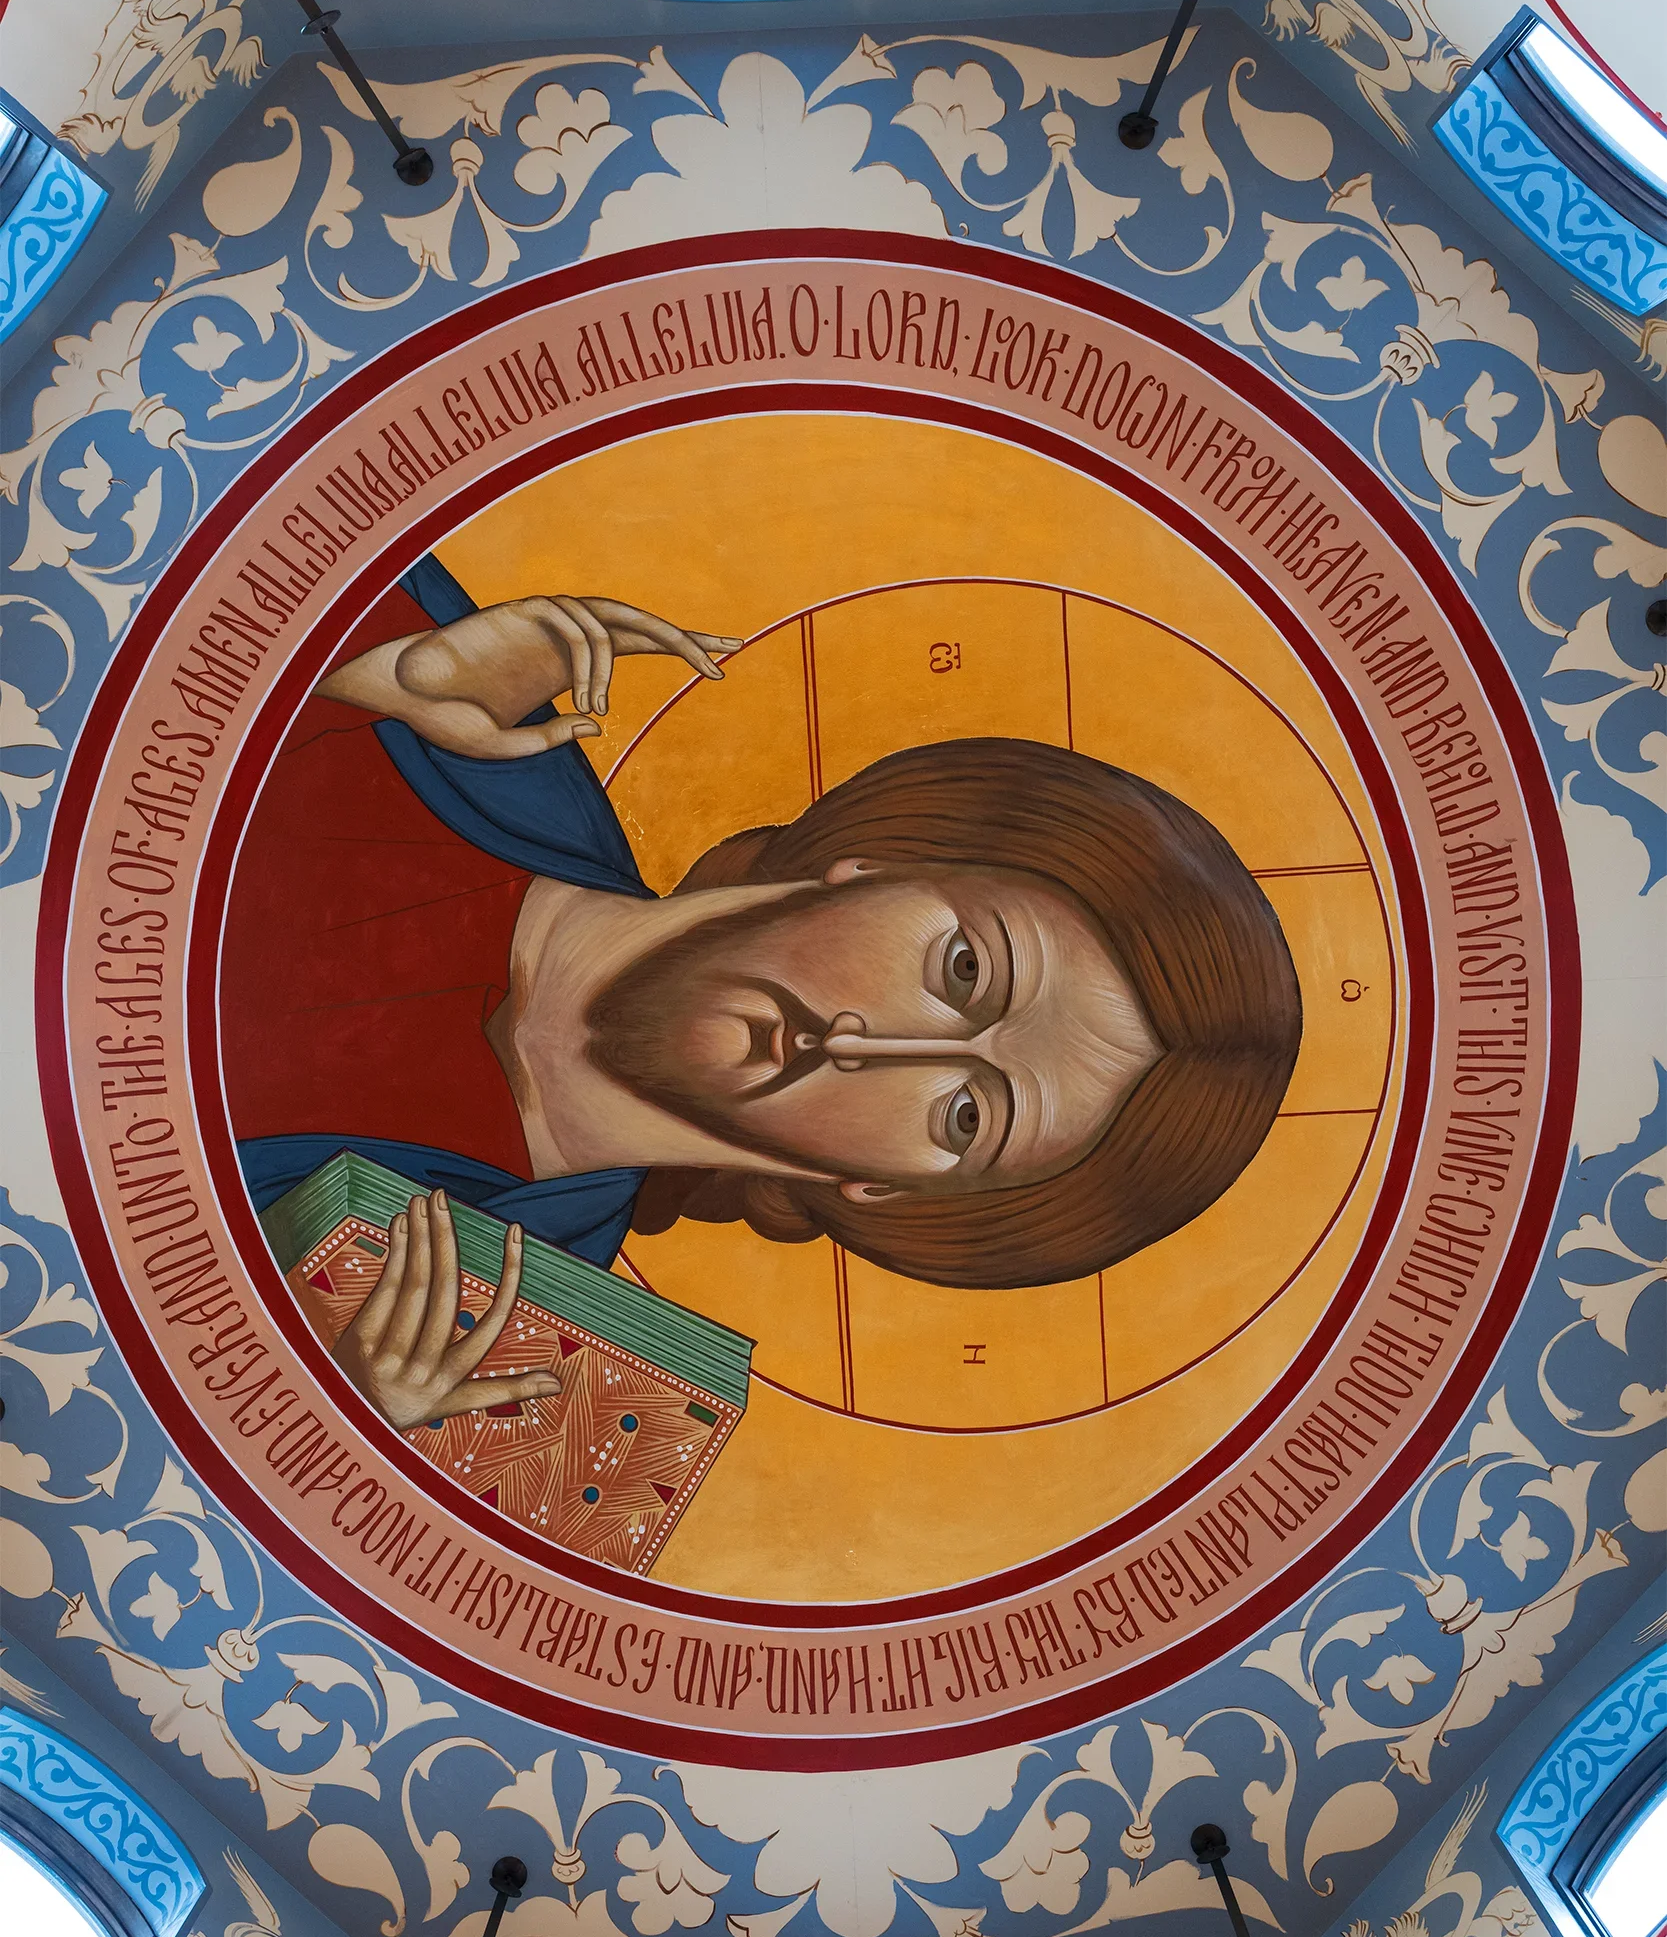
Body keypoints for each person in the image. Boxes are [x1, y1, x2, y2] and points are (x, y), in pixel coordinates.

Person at [225, 559, 1301, 1427]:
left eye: (964, 1117)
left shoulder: (481, 1354)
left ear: (877, 1192)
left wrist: (309, 1400)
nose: (862, 1047)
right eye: (964, 970)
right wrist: (325, 692)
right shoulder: (447, 683)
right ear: (878, 865)